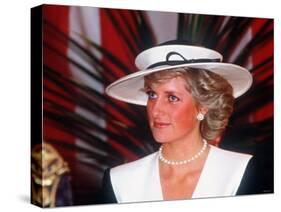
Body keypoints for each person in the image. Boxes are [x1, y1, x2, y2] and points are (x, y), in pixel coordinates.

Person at [101, 41, 266, 204]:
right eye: (152, 95)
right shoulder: (120, 182)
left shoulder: (239, 172)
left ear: (203, 106)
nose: (155, 110)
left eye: (172, 98)